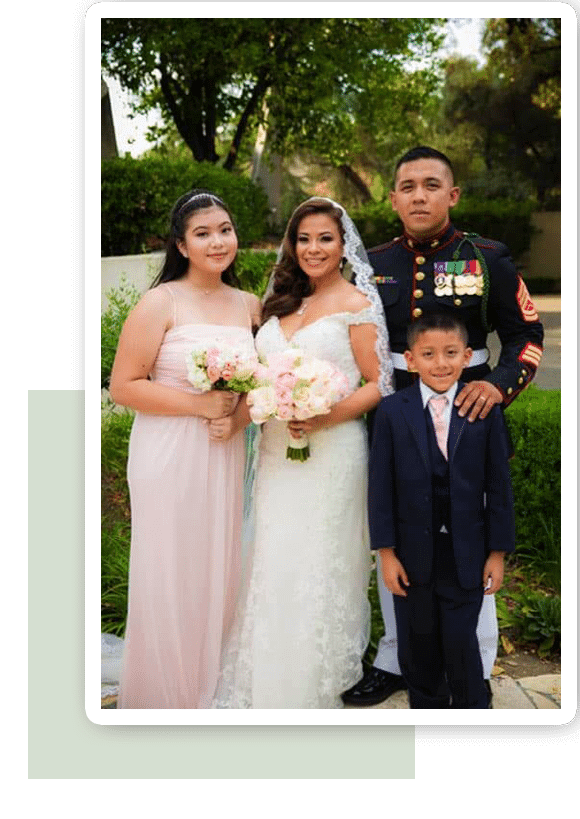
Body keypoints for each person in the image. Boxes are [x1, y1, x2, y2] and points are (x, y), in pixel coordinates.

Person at [343, 145, 544, 707]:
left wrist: (498, 387)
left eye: (431, 185)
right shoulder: (371, 264)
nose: (419, 196)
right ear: (393, 199)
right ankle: (397, 659)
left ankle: (475, 662)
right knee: (398, 535)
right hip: (395, 418)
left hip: (469, 417)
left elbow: (526, 336)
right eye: (408, 187)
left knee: (470, 534)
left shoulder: (487, 258)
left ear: (452, 195)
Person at [212, 197, 393, 708]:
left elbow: (380, 383)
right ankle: (263, 675)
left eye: (325, 239)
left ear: (343, 246)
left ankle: (314, 682)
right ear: (292, 245)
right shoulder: (278, 302)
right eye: (304, 239)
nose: (314, 249)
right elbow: (258, 379)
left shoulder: (357, 303)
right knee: (273, 557)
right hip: (276, 451)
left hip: (333, 452)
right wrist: (239, 414)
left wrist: (322, 415)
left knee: (320, 561)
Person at [110, 189, 260, 709]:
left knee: (219, 563)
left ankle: (208, 680)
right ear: (181, 245)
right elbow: (123, 386)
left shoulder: (250, 305)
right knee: (170, 566)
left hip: (225, 450)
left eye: (225, 230)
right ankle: (163, 691)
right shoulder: (161, 302)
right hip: (169, 452)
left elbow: (263, 382)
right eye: (203, 233)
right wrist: (201, 406)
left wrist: (235, 418)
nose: (217, 242)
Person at [368, 311, 515, 708]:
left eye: (451, 353)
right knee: (418, 645)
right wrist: (386, 553)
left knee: (460, 643)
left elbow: (498, 487)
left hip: (467, 553)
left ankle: (471, 711)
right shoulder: (391, 411)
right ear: (410, 359)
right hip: (411, 555)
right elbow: (380, 488)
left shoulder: (484, 411)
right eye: (428, 354)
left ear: (467, 356)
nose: (440, 363)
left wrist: (497, 553)